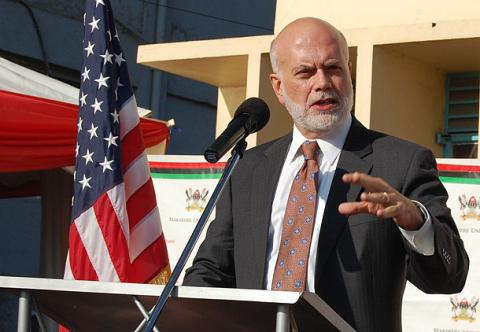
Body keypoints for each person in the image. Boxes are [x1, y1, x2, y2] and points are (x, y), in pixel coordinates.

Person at [183, 17, 469, 331]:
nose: (323, 83)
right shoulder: (249, 168)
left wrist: (416, 221)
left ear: (349, 73)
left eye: (333, 68)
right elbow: (211, 273)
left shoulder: (400, 162)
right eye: (305, 72)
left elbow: (449, 277)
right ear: (278, 86)